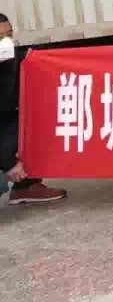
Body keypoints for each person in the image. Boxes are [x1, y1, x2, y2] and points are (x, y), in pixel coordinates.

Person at [0, 13, 67, 205]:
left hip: (5, 128)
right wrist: (9, 163)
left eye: (9, 35)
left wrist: (39, 60)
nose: (6, 42)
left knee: (36, 121)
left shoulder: (13, 62)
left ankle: (26, 186)